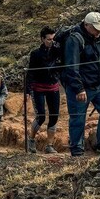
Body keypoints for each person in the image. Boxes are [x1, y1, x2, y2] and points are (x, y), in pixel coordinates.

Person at [61, 12, 100, 157]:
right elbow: (71, 66)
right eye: (96, 28)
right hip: (79, 87)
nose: (99, 31)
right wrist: (79, 88)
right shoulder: (75, 40)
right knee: (78, 118)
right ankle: (77, 150)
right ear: (87, 25)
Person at [26, 26, 61, 154]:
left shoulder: (58, 50)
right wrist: (27, 91)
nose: (51, 41)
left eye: (53, 39)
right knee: (41, 116)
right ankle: (31, 140)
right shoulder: (35, 54)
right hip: (38, 87)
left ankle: (49, 145)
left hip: (53, 86)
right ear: (42, 39)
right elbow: (30, 72)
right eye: (48, 39)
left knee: (54, 116)